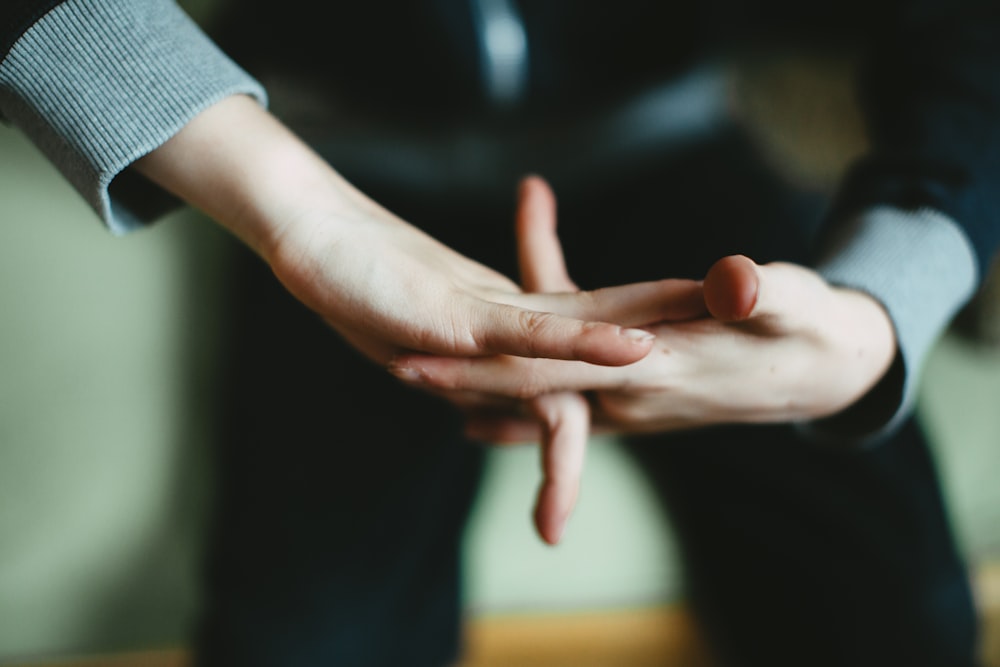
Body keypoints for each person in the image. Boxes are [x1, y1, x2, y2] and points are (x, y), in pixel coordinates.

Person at [2, 1, 999, 666]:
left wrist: (883, 307)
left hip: (672, 145)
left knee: (893, 608)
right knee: (306, 639)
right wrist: (300, 211)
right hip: (335, 156)